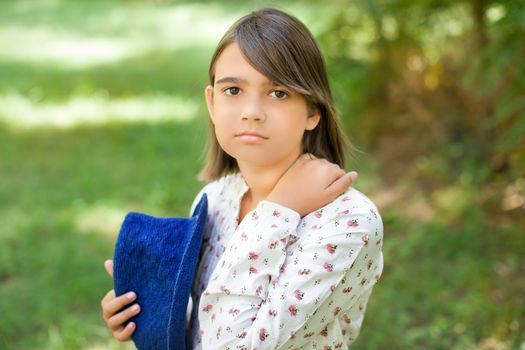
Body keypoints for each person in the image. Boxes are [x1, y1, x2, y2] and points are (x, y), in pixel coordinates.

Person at [101, 7, 383, 349]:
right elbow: (207, 328)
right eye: (233, 90)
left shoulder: (347, 223)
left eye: (278, 92)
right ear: (212, 102)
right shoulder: (217, 198)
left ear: (313, 111)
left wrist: (280, 209)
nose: (251, 112)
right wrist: (149, 316)